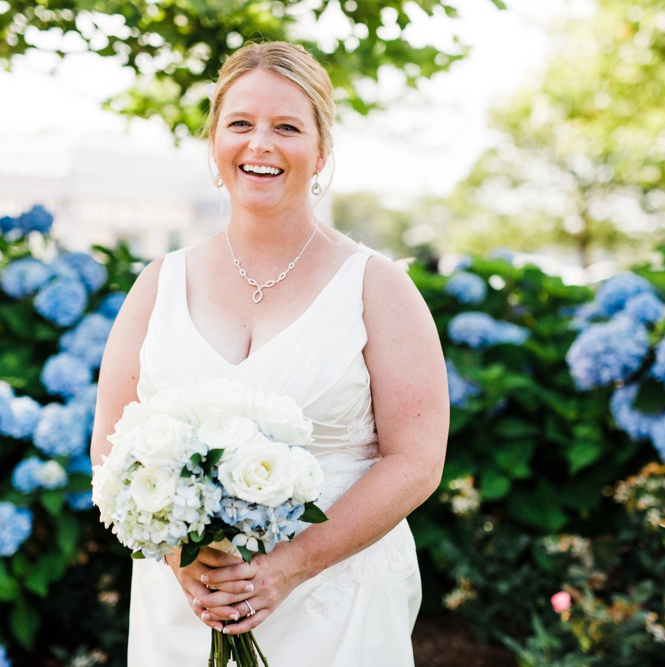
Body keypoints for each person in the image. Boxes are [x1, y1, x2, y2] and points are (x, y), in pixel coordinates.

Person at [90, 41, 449, 666]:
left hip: (336, 605)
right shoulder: (159, 283)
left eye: (287, 127)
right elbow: (109, 448)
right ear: (214, 142)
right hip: (185, 607)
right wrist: (180, 559)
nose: (260, 144)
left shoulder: (377, 286)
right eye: (240, 124)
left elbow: (416, 461)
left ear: (321, 151)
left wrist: (291, 565)